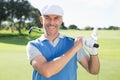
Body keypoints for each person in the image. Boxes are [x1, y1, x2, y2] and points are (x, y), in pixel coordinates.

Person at [26, 4, 100, 80]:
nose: (52, 23)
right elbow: (47, 71)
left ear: (61, 20)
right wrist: (74, 49)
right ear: (41, 20)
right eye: (47, 18)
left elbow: (94, 71)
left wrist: (94, 54)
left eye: (56, 18)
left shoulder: (73, 43)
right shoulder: (33, 45)